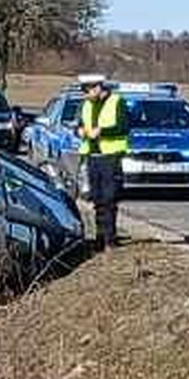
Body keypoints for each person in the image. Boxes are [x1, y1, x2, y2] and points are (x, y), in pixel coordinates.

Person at [74, 74, 129, 251]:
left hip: (110, 156)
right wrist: (80, 131)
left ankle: (110, 239)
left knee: (109, 198)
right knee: (96, 198)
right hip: (92, 155)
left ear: (98, 88)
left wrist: (102, 132)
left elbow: (123, 126)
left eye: (88, 91)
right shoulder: (85, 104)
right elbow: (78, 124)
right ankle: (99, 237)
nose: (86, 96)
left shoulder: (117, 101)